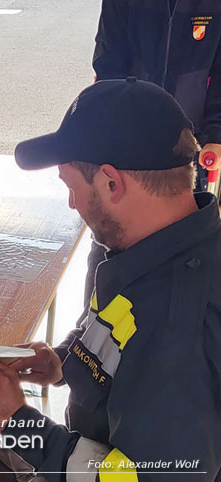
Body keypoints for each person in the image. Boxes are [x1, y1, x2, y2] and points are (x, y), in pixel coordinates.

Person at [0, 79, 221, 481]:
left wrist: (18, 422)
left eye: (70, 186)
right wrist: (62, 362)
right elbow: (111, 332)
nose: (71, 203)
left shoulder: (181, 327)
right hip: (72, 451)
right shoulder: (138, 243)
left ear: (111, 182)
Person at [87, 0, 221, 303]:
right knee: (111, 237)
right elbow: (108, 64)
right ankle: (91, 327)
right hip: (126, 142)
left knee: (180, 246)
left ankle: (165, 326)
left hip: (188, 146)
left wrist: (215, 134)